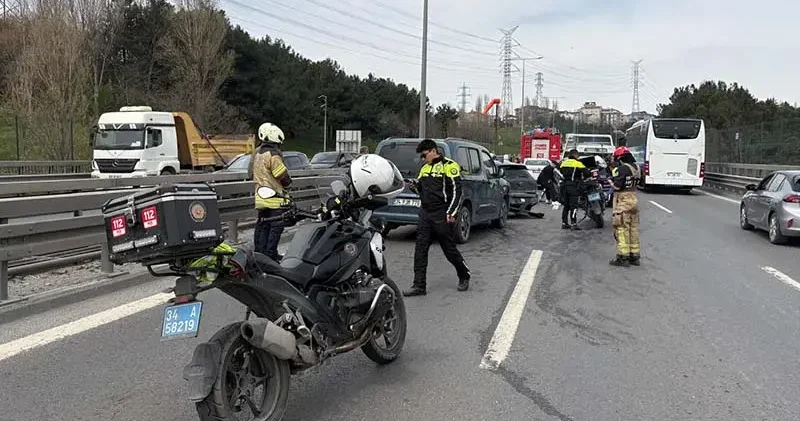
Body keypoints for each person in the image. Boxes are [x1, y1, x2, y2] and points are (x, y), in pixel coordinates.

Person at [403, 138, 471, 296]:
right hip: (425, 213)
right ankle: (419, 285)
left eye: (424, 155)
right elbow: (422, 190)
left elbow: (456, 192)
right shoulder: (424, 168)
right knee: (420, 249)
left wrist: (451, 213)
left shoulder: (449, 166)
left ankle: (464, 276)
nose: (422, 158)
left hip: (442, 213)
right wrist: (415, 187)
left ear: (434, 151)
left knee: (449, 249)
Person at [252, 122, 292, 262]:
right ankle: (270, 257)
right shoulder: (273, 155)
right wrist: (288, 184)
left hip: (261, 198)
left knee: (262, 226)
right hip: (275, 199)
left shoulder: (257, 153)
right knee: (275, 228)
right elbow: (282, 176)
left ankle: (259, 254)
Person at [609, 146, 641, 267]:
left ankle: (623, 257)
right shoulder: (637, 167)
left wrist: (610, 182)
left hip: (623, 200)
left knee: (621, 228)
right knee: (633, 228)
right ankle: (634, 256)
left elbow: (617, 187)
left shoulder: (622, 168)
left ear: (621, 158)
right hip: (634, 198)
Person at [559, 149, 591, 230]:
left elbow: (559, 171)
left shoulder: (564, 163)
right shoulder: (578, 163)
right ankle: (573, 224)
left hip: (564, 186)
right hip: (573, 187)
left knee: (566, 206)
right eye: (578, 155)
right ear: (575, 155)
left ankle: (564, 223)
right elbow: (587, 173)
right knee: (574, 206)